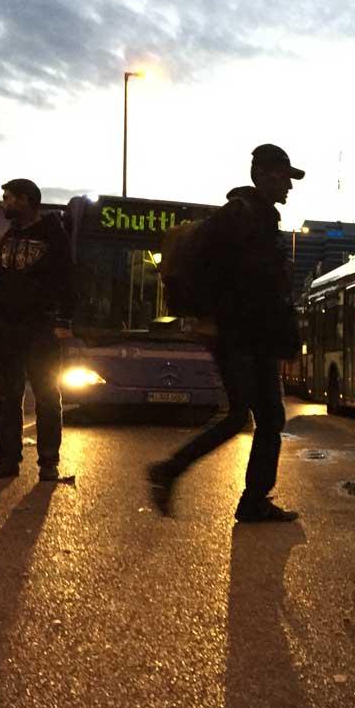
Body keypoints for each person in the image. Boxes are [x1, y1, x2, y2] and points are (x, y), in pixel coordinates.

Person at [147, 144, 304, 521]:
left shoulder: (261, 219)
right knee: (246, 416)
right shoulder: (238, 216)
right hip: (238, 334)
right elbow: (209, 270)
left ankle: (252, 499)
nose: (289, 187)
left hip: (255, 335)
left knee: (266, 417)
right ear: (264, 176)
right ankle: (171, 470)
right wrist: (213, 317)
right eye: (284, 177)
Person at [0, 179, 75, 481]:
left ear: (25, 200)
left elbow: (68, 280)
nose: (4, 202)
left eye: (9, 198)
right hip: (8, 329)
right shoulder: (9, 237)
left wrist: (64, 321)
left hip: (42, 329)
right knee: (7, 396)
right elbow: (3, 284)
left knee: (47, 394)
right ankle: (8, 460)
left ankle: (48, 461)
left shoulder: (53, 235)